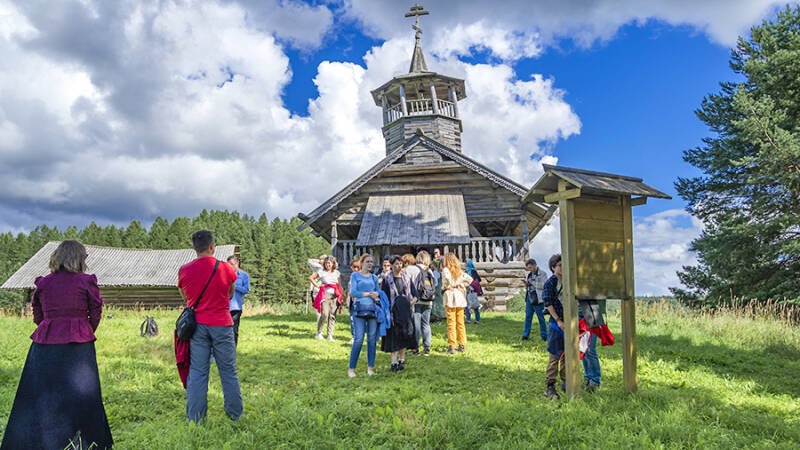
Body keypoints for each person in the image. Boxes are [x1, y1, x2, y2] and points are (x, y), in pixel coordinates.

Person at [1, 240, 113, 449]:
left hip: (46, 344)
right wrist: (84, 329)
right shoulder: (86, 281)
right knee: (82, 393)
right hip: (79, 346)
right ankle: (84, 441)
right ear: (78, 258)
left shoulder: (44, 283)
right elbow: (96, 311)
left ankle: (42, 441)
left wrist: (50, 327)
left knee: (43, 394)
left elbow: (38, 314)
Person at [179, 230, 243, 422]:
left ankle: (196, 419)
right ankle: (235, 415)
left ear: (194, 248)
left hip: (197, 326)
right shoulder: (225, 268)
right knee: (228, 370)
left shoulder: (184, 269)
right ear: (212, 246)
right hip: (222, 324)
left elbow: (187, 299)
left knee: (198, 372)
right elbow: (230, 294)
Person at [380, 255, 418, 372]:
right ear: (391, 265)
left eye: (400, 263)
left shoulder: (406, 278)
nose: (398, 266)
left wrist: (410, 304)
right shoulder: (387, 280)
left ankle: (402, 360)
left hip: (406, 312)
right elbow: (384, 297)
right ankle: (394, 362)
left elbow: (415, 294)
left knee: (405, 335)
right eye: (396, 264)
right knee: (394, 337)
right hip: (393, 313)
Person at [347, 254, 383, 377]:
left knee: (372, 340)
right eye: (368, 261)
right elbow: (353, 292)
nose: (370, 264)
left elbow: (378, 292)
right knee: (358, 339)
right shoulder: (355, 275)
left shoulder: (373, 277)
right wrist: (369, 294)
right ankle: (351, 369)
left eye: (372, 262)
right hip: (359, 310)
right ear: (362, 262)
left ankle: (370, 368)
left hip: (372, 310)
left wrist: (377, 296)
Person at [542, 254, 566, 400]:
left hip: (569, 321)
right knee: (554, 355)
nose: (562, 268)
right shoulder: (550, 283)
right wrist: (558, 320)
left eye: (564, 265)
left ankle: (566, 381)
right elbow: (548, 302)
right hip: (556, 324)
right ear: (553, 268)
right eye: (559, 266)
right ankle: (550, 386)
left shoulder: (568, 281)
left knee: (567, 354)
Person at [441, 253, 472, 354]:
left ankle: (452, 346)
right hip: (459, 296)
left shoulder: (446, 270)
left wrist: (446, 286)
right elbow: (470, 280)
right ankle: (462, 344)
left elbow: (446, 281)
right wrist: (462, 285)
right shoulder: (459, 271)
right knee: (460, 323)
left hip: (450, 296)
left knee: (451, 322)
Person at [310, 256, 342, 341]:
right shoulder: (321, 272)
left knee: (332, 315)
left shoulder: (337, 273)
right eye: (326, 263)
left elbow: (339, 285)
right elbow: (311, 278)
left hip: (335, 295)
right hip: (325, 294)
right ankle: (319, 333)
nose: (328, 264)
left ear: (333, 264)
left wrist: (342, 295)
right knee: (324, 313)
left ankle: (330, 335)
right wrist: (318, 285)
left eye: (330, 263)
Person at [411, 250, 435, 356]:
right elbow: (436, 284)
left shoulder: (412, 269)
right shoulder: (429, 271)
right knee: (426, 324)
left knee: (416, 325)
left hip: (416, 301)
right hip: (428, 301)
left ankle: (415, 348)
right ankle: (427, 347)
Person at [522, 258, 549, 341]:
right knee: (528, 317)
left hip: (538, 300)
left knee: (541, 318)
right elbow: (529, 286)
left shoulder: (543, 274)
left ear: (535, 265)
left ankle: (544, 336)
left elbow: (544, 285)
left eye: (530, 267)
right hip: (529, 299)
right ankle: (525, 335)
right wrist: (526, 284)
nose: (529, 269)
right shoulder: (529, 275)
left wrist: (532, 283)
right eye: (528, 268)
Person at [226, 255, 249, 346]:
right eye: (228, 265)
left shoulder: (244, 276)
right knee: (223, 330)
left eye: (232, 264)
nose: (230, 267)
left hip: (236, 308)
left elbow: (246, 290)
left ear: (237, 263)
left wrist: (234, 285)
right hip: (224, 307)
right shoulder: (224, 274)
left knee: (234, 330)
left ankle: (233, 349)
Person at [347, 258, 362, 345]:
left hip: (359, 301)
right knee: (352, 319)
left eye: (357, 267)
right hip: (352, 301)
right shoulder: (351, 276)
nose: (355, 269)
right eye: (354, 267)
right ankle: (354, 336)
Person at [464, 258, 482, 324]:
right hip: (466, 289)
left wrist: (471, 285)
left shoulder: (473, 271)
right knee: (466, 305)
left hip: (473, 291)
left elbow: (478, 280)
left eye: (466, 262)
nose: (465, 264)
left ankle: (477, 320)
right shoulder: (466, 271)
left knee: (475, 305)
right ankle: (468, 319)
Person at [430, 248, 446, 322]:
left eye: (437, 252)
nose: (436, 254)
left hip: (441, 287)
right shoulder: (434, 262)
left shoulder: (442, 259)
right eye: (435, 253)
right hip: (438, 288)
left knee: (441, 301)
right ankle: (438, 316)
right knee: (438, 302)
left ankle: (441, 315)